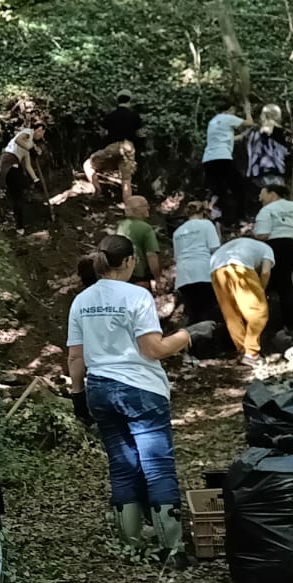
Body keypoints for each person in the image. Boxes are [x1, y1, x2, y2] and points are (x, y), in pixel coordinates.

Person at [67, 234, 213, 560]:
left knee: (122, 467)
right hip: (140, 390)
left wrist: (78, 396)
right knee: (157, 467)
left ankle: (131, 545)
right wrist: (190, 334)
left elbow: (76, 357)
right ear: (131, 261)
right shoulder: (137, 296)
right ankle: (172, 549)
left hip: (100, 390)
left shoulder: (82, 300)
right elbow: (153, 349)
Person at [254, 180, 293, 335]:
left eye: (263, 194)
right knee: (285, 281)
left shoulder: (266, 211)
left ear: (272, 194)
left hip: (278, 248)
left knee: (284, 287)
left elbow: (262, 234)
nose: (261, 199)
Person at [209, 235, 275, 364]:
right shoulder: (267, 249)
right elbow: (266, 272)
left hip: (216, 269)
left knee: (232, 313)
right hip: (240, 268)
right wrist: (261, 290)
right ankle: (251, 353)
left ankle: (242, 351)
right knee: (259, 312)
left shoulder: (241, 244)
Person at [171, 201, 221, 327]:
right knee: (207, 310)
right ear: (203, 212)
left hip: (183, 276)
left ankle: (192, 342)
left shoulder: (177, 232)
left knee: (193, 312)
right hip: (203, 272)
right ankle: (208, 342)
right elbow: (215, 248)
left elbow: (177, 257)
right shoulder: (206, 224)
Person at [201, 98, 249, 222]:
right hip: (222, 158)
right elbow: (250, 122)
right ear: (230, 109)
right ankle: (240, 217)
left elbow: (226, 139)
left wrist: (243, 135)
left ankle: (221, 218)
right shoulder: (227, 117)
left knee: (220, 190)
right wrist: (247, 111)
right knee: (238, 187)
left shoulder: (213, 121)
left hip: (208, 160)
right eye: (233, 110)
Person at [0, 128, 41, 230]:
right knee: (18, 193)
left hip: (13, 167)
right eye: (41, 132)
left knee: (18, 195)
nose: (41, 135)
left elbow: (28, 166)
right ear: (38, 130)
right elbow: (18, 140)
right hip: (9, 165)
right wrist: (31, 146)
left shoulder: (26, 150)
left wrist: (36, 179)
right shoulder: (28, 132)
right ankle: (18, 223)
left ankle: (19, 223)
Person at [116, 195, 163, 292]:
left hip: (124, 276)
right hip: (140, 277)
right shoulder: (146, 229)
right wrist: (157, 279)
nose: (148, 208)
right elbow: (151, 255)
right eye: (145, 205)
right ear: (137, 210)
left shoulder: (122, 225)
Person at [246, 103, 293, 189]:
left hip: (255, 173)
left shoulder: (253, 133)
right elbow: (289, 151)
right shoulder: (278, 131)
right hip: (272, 170)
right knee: (274, 198)